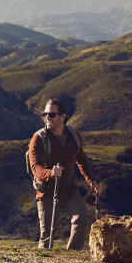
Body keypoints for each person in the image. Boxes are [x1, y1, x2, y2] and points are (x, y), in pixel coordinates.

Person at [28, 98, 100, 250]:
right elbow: (35, 167)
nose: (47, 117)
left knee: (81, 218)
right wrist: (50, 173)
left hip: (68, 188)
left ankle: (72, 255)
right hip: (46, 190)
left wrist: (91, 181)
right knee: (47, 236)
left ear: (63, 117)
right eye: (45, 114)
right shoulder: (39, 138)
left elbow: (81, 159)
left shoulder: (74, 137)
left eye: (52, 115)